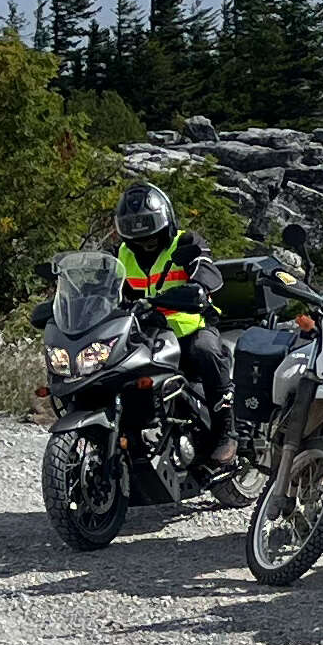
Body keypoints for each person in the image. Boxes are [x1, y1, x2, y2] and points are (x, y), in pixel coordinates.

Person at [109, 178, 235, 476]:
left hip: (190, 328)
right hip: (144, 333)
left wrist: (197, 287)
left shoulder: (186, 243)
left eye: (150, 231)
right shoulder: (121, 254)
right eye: (136, 233)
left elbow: (208, 272)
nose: (144, 241)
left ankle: (226, 433)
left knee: (206, 351)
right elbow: (101, 287)